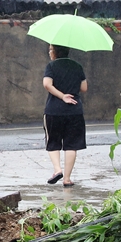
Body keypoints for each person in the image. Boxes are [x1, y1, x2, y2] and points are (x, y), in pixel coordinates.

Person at [42, 44, 87, 187]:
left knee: (53, 141)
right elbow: (84, 88)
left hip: (54, 110)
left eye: (50, 49)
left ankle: (57, 170)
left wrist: (62, 96)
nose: (49, 52)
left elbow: (47, 84)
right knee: (71, 145)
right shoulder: (77, 66)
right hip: (75, 110)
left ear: (54, 52)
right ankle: (67, 179)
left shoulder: (51, 66)